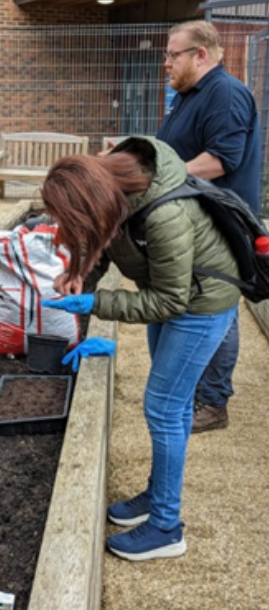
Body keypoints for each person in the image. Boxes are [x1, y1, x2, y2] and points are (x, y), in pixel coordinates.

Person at [40, 136, 239, 561]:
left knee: (164, 407)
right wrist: (81, 274)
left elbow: (171, 302)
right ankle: (157, 493)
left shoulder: (164, 213)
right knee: (176, 405)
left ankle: (167, 527)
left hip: (201, 304)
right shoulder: (114, 186)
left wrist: (97, 302)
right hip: (169, 290)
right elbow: (111, 237)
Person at [156, 20, 262, 433]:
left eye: (172, 55)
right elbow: (174, 152)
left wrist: (159, 179)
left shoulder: (225, 93)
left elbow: (220, 160)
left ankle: (214, 403)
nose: (166, 63)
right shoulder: (187, 96)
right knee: (199, 306)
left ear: (200, 55)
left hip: (220, 226)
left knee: (219, 311)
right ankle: (194, 390)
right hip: (194, 222)